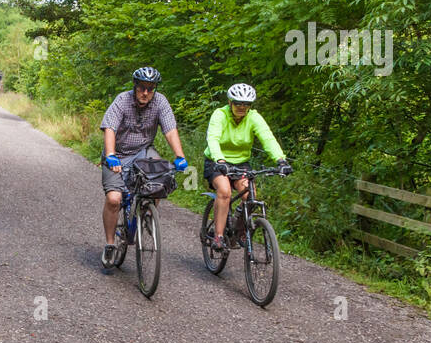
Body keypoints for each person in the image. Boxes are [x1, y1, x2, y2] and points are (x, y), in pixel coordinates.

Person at [101, 68, 188, 266]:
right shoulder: (122, 101)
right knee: (114, 199)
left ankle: (147, 214)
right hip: (118, 154)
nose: (146, 93)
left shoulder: (160, 102)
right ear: (135, 86)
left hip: (143, 152)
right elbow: (110, 128)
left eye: (150, 89)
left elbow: (170, 129)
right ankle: (110, 244)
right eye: (142, 88)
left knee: (159, 179)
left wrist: (180, 155)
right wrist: (111, 155)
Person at [203, 83, 292, 252]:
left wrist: (281, 160)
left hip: (241, 162)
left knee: (250, 196)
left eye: (246, 104)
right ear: (230, 102)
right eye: (238, 103)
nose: (242, 107)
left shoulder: (254, 117)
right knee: (224, 191)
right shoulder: (219, 115)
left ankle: (239, 226)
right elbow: (213, 138)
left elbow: (268, 138)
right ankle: (219, 236)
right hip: (216, 161)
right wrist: (220, 160)